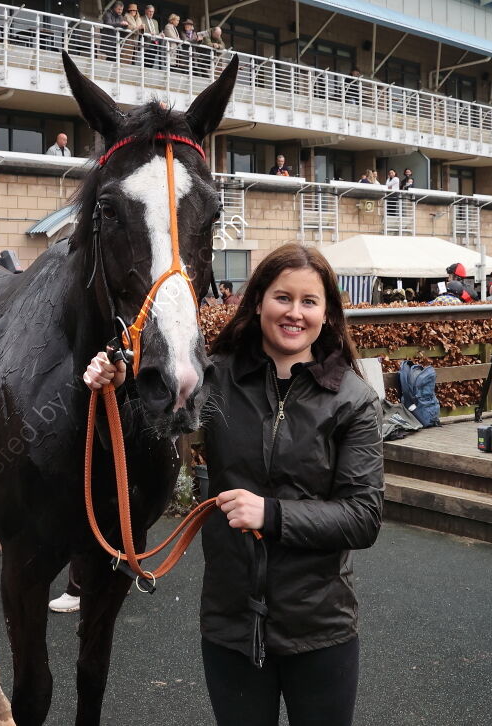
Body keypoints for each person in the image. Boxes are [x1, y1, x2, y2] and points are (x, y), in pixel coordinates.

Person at [82, 243, 383, 726]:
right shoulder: (215, 378)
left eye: (309, 301)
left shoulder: (353, 399)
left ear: (327, 314)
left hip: (321, 629)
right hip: (231, 624)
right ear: (259, 301)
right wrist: (115, 390)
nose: (295, 312)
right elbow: (141, 440)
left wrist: (271, 513)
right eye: (283, 297)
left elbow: (362, 517)